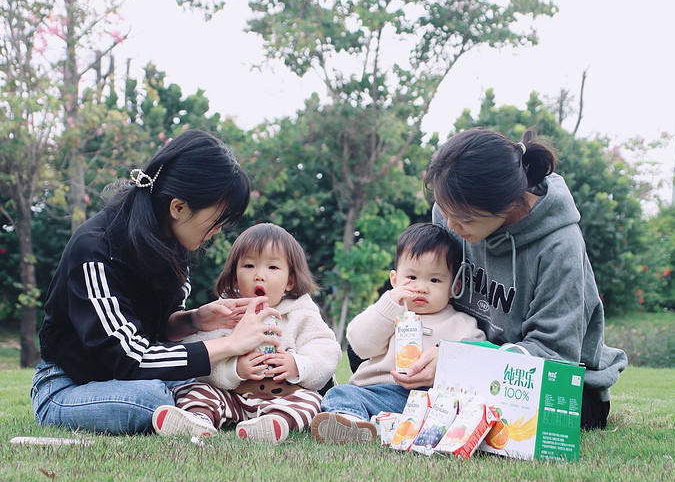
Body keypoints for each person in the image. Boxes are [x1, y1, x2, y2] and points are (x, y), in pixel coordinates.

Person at [31, 129, 283, 436]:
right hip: (69, 386)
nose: (218, 231)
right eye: (216, 220)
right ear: (178, 208)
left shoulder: (173, 243)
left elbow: (156, 330)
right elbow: (130, 357)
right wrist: (230, 343)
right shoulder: (95, 250)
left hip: (130, 378)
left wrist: (194, 320)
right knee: (153, 399)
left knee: (208, 383)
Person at [417, 126, 627, 430]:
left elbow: (555, 354)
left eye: (464, 218)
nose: (450, 225)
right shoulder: (451, 213)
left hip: (555, 384)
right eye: (445, 210)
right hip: (464, 367)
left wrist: (463, 360)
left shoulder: (560, 246)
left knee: (531, 418)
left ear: (508, 202)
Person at [154, 223, 342, 443]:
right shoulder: (225, 312)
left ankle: (274, 423)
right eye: (250, 265)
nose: (259, 276)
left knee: (310, 400)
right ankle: (198, 418)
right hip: (232, 396)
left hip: (282, 396)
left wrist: (298, 365)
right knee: (194, 389)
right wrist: (234, 369)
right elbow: (202, 354)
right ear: (235, 278)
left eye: (272, 268)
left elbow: (326, 350)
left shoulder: (301, 314)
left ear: (290, 280)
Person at [310, 223, 485, 444]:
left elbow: (478, 359)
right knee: (340, 393)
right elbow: (360, 343)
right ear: (394, 280)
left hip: (432, 404)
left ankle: (386, 427)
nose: (421, 287)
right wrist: (390, 304)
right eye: (411, 277)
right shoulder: (388, 312)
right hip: (381, 394)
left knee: (460, 410)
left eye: (435, 280)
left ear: (455, 287)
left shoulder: (461, 323)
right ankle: (353, 423)